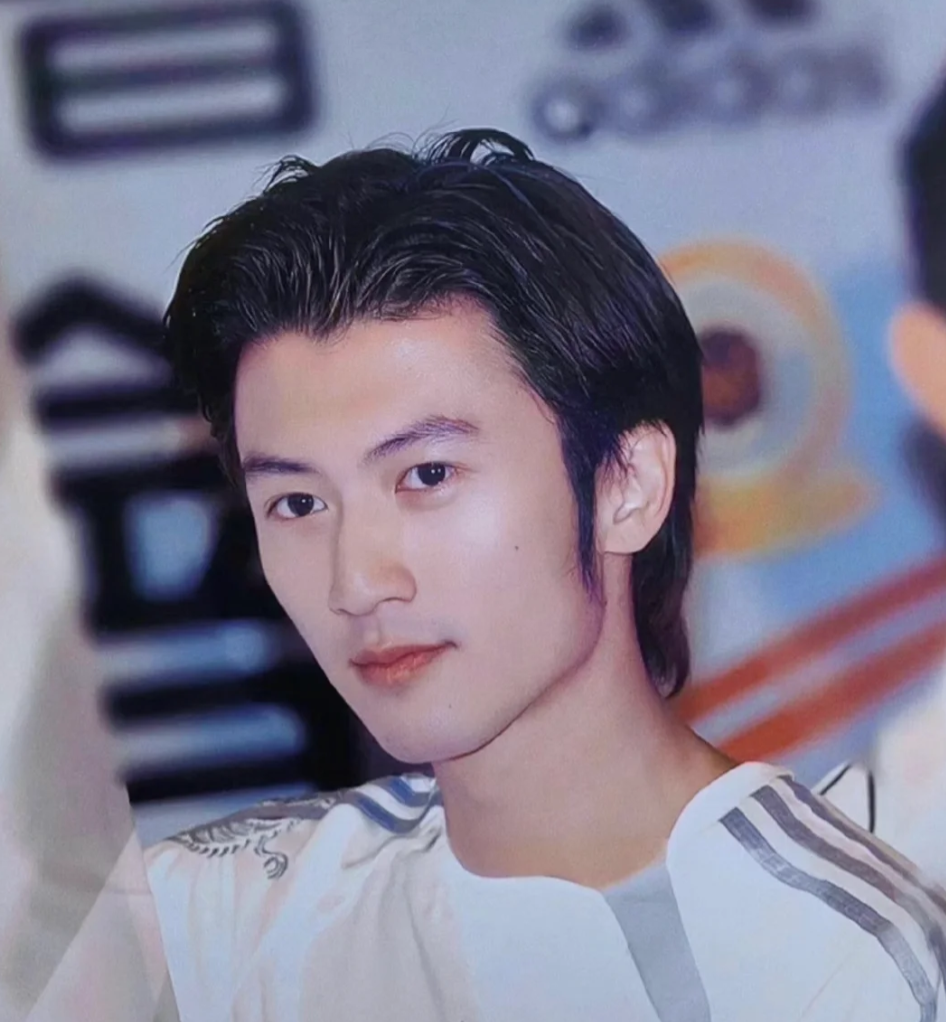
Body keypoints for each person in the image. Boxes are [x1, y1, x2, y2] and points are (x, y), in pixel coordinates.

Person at [146, 129, 946, 1022]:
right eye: (297, 502)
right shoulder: (208, 930)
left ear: (627, 485)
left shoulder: (852, 963)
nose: (356, 582)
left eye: (427, 476)